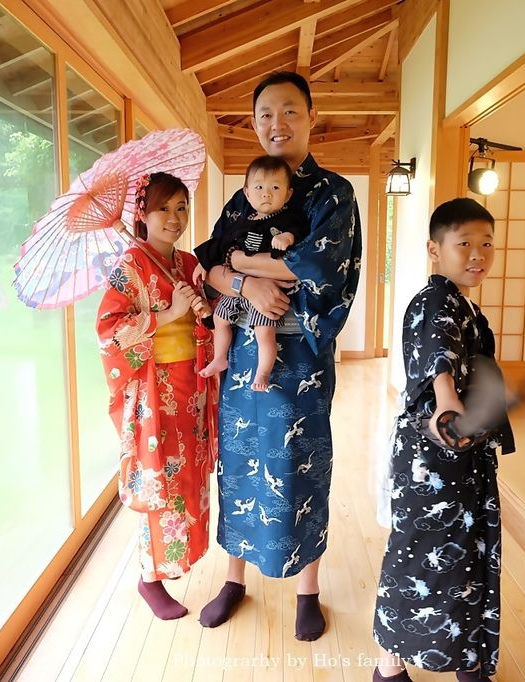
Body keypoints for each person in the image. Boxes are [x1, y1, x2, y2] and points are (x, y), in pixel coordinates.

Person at [197, 71, 361, 642]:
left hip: (301, 357)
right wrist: (242, 284)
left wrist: (244, 269)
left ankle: (307, 589)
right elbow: (210, 266)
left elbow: (317, 267)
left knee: (299, 467)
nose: (276, 124)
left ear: (310, 118)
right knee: (239, 460)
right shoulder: (243, 195)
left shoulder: (334, 193)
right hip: (242, 352)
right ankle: (234, 577)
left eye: (289, 111)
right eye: (266, 113)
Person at [371, 198, 515, 682]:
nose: (478, 254)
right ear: (435, 249)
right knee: (418, 559)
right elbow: (440, 358)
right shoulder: (436, 301)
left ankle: (469, 662)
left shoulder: (467, 306)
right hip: (432, 456)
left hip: (463, 455)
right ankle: (387, 670)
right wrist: (447, 402)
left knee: (470, 555)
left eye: (487, 244)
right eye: (464, 244)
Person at [96, 172, 217, 620]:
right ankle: (149, 579)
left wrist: (201, 312)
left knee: (189, 479)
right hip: (154, 392)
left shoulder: (186, 264)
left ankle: (177, 559)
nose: (174, 217)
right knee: (158, 483)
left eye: (181, 207)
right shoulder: (129, 266)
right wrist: (168, 314)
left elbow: (205, 320)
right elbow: (109, 333)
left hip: (193, 387)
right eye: (163, 208)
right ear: (142, 215)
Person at [194, 154, 309, 391]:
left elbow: (299, 232)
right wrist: (203, 262)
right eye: (259, 187)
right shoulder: (242, 221)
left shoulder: (288, 219)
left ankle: (263, 373)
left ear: (287, 194)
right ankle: (220, 358)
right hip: (237, 291)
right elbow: (219, 243)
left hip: (268, 293)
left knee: (264, 332)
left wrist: (286, 237)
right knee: (219, 319)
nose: (266, 193)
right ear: (247, 193)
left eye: (275, 187)